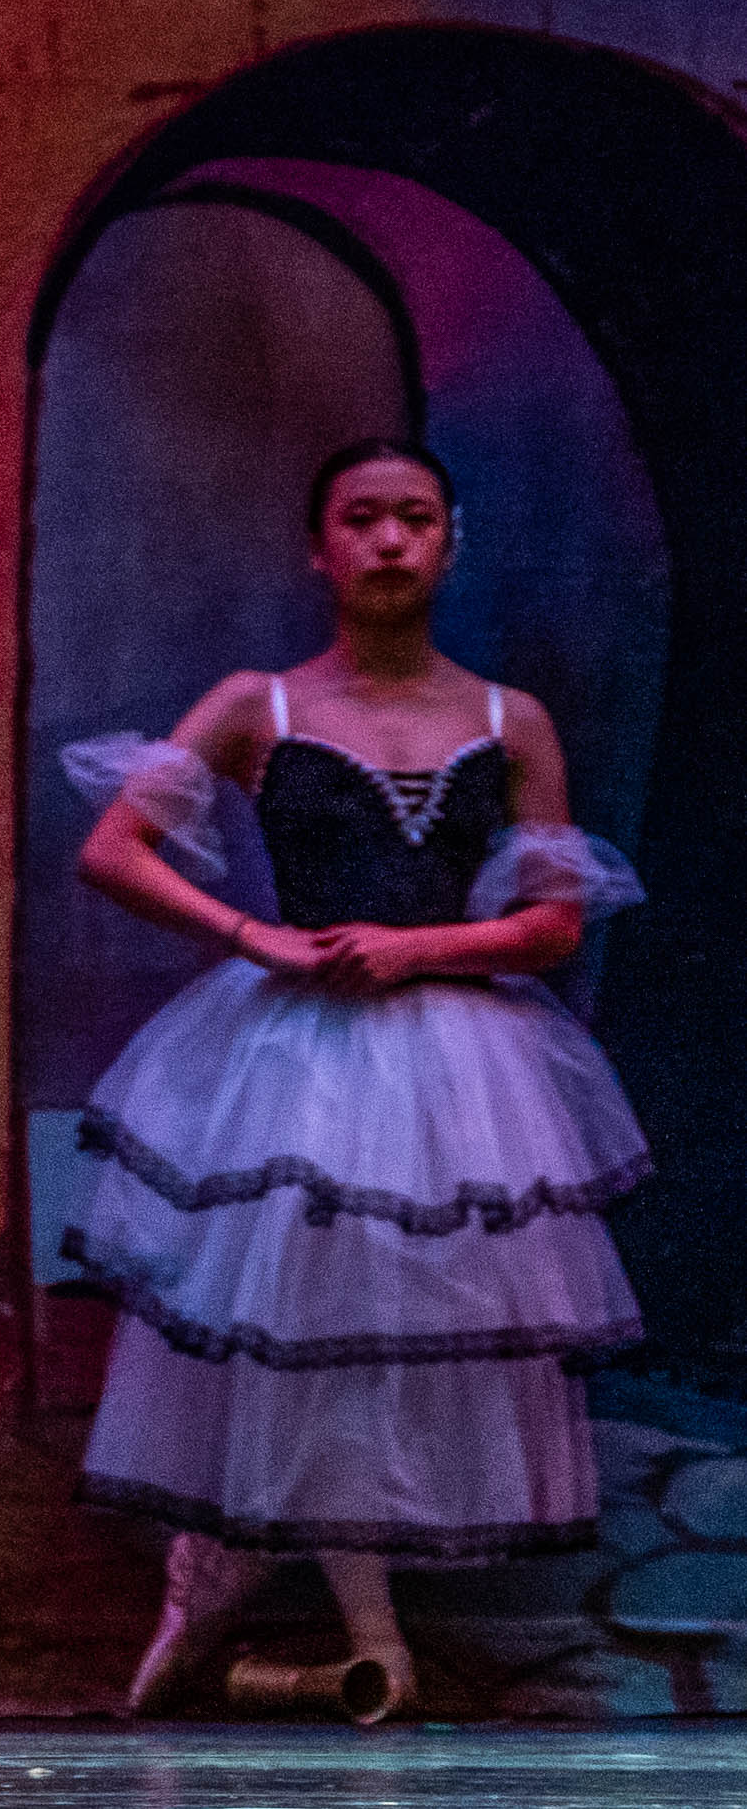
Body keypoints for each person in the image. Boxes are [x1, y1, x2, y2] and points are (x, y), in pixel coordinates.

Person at [59, 436, 646, 1723]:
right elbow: (115, 846)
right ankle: (276, 1596)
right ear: (319, 547)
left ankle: (282, 1591)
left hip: (461, 1065)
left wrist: (417, 948)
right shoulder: (259, 703)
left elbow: (555, 920)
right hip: (298, 1055)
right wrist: (252, 934)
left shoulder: (509, 719)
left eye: (415, 517)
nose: (389, 539)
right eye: (363, 517)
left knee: (399, 1332)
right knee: (304, 1324)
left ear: (450, 541)